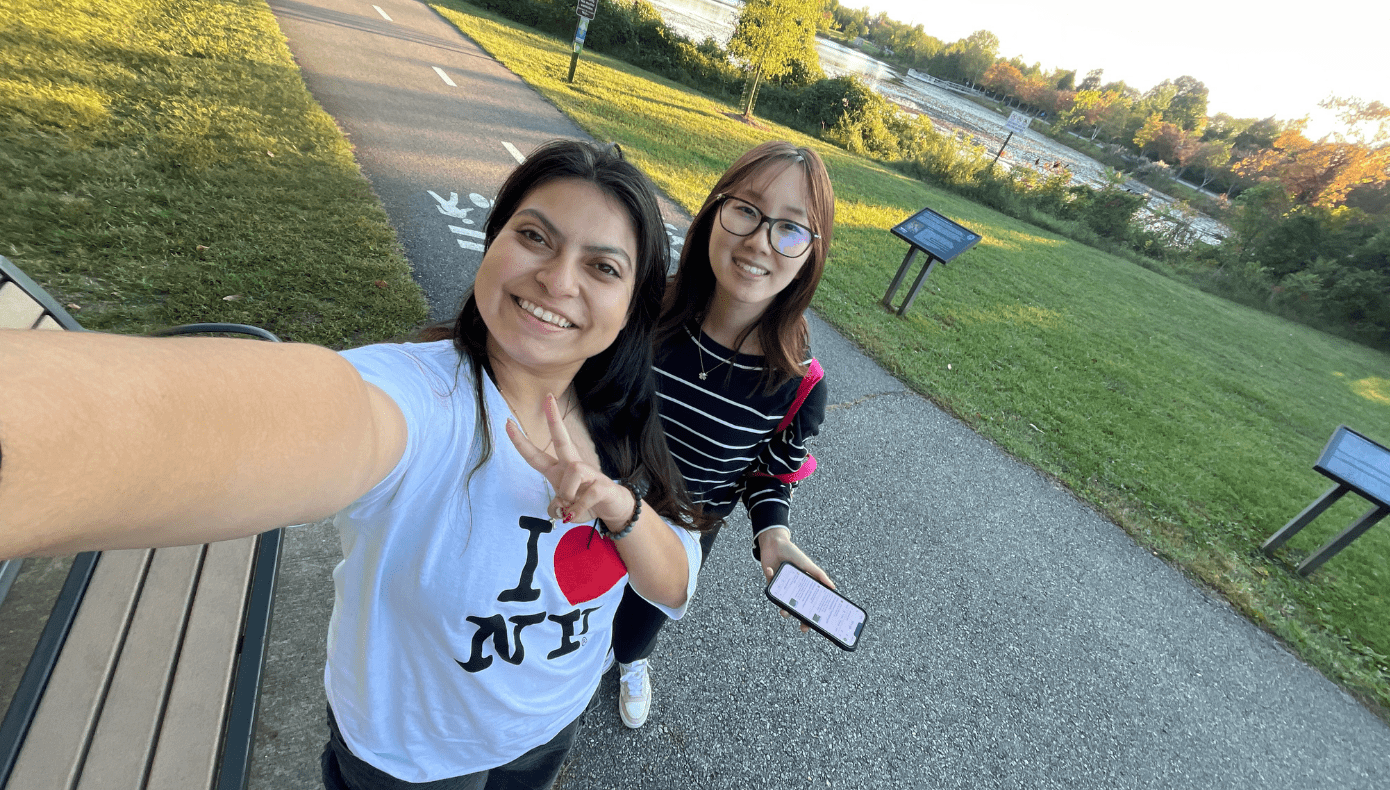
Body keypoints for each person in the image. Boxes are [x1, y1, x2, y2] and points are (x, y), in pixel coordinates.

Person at [0, 140, 705, 790]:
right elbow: (311, 420)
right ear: (491, 244)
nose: (556, 278)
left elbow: (673, 585)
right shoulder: (419, 399)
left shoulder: (626, 418)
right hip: (411, 760)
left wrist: (618, 508)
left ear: (631, 307)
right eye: (533, 236)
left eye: (602, 266)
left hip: (548, 729)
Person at [610, 140, 837, 728]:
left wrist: (774, 535)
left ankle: (632, 662)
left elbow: (768, 468)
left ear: (811, 254)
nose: (762, 240)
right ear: (715, 210)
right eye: (747, 210)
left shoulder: (797, 380)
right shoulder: (639, 307)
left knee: (639, 619)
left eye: (792, 229)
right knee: (566, 616)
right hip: (586, 504)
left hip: (682, 530)